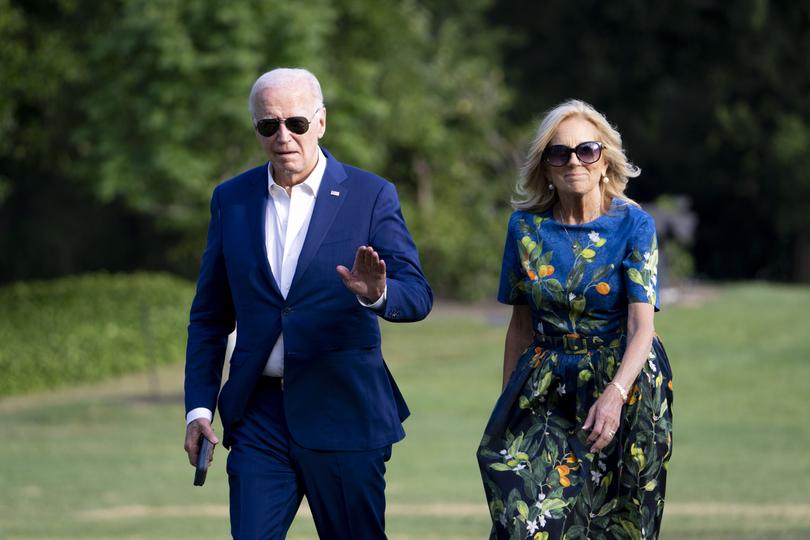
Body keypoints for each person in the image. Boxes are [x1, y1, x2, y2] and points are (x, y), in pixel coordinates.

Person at [183, 68, 432, 539]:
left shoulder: (371, 194)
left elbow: (417, 295)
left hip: (344, 411)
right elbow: (210, 317)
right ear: (256, 128)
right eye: (268, 125)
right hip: (259, 417)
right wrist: (198, 408)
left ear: (321, 122)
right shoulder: (230, 200)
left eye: (296, 123)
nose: (283, 136)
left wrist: (377, 293)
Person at [477, 99, 673, 540]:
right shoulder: (524, 228)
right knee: (523, 518)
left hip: (624, 382)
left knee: (616, 525)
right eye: (559, 152)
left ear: (605, 161)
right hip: (546, 384)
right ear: (545, 167)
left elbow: (643, 328)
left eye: (587, 150)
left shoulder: (634, 225)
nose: (573, 161)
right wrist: (507, 404)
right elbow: (520, 326)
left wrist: (615, 396)